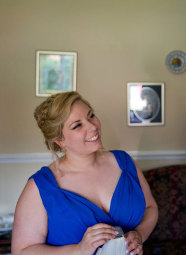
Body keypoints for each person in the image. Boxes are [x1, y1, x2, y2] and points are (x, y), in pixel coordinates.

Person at [12, 92, 158, 255]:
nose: (93, 126)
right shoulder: (40, 187)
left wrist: (139, 234)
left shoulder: (124, 162)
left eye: (91, 116)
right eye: (77, 125)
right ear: (60, 140)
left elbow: (150, 208)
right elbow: (21, 251)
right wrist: (77, 250)